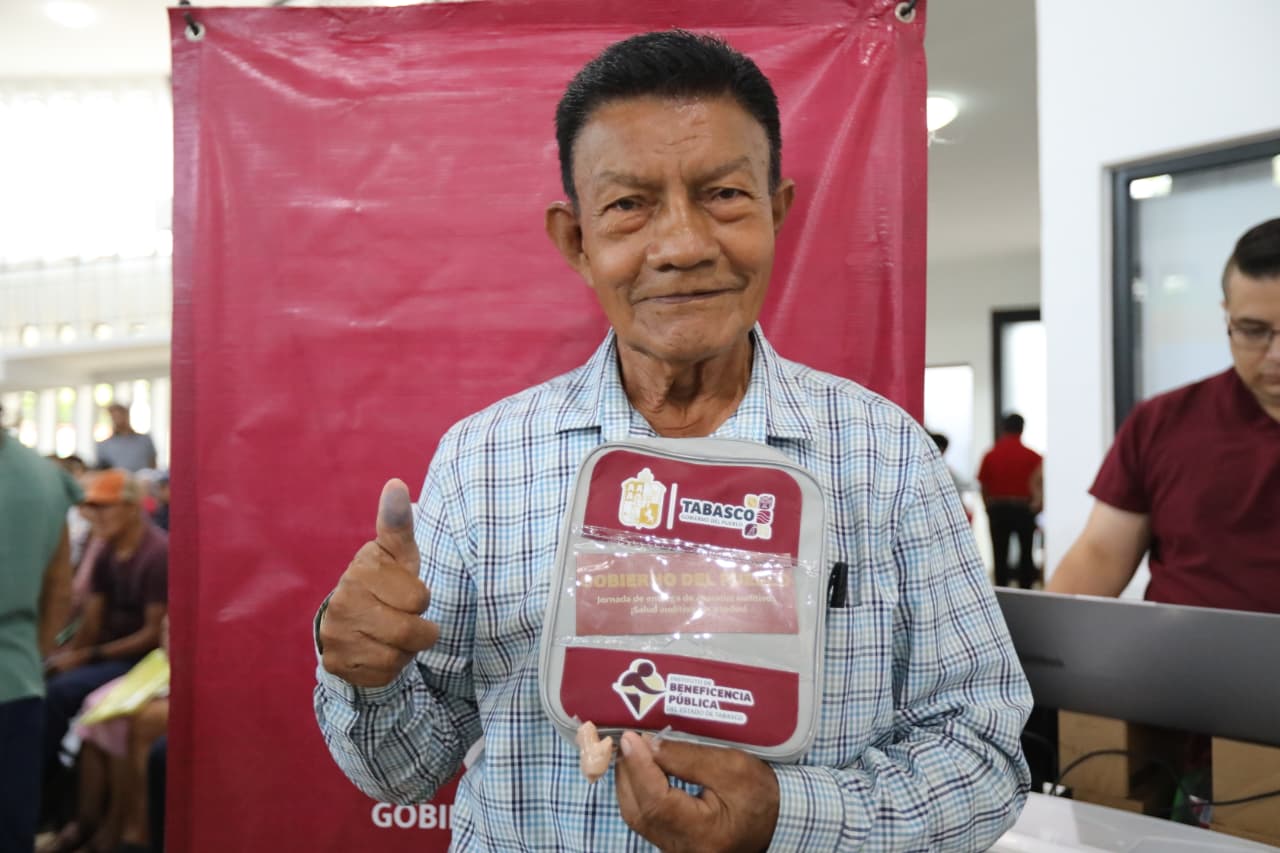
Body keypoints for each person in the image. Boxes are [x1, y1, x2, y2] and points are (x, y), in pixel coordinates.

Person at [314, 31, 1031, 851]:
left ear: (777, 211)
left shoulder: (885, 458)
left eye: (724, 194)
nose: (685, 245)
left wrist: (786, 817)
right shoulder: (483, 463)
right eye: (629, 205)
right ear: (577, 240)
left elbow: (983, 752)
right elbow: (403, 770)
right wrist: (365, 676)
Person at [1049, 218, 1280, 612]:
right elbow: (1101, 555)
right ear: (1226, 316)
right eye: (1253, 330)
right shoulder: (1161, 422)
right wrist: (1041, 642)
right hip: (1182, 652)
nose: (1275, 355)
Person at [43, 470, 168, 796]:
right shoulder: (106, 551)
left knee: (60, 694)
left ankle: (47, 786)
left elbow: (151, 634)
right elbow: (92, 618)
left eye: (105, 507)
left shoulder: (157, 554)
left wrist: (86, 656)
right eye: (92, 507)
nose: (95, 515)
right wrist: (69, 654)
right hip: (107, 654)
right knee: (48, 680)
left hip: (142, 660)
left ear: (131, 507)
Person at [0, 406, 81, 852]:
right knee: (11, 826)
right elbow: (60, 590)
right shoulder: (46, 478)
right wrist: (35, 653)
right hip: (18, 679)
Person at [976, 414, 1043, 588]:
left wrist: (987, 507)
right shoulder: (1034, 457)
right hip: (1024, 508)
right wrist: (1038, 505)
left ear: (1003, 428)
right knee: (1026, 553)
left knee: (999, 554)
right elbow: (1040, 484)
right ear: (1022, 429)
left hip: (998, 508)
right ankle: (1026, 592)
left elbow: (983, 485)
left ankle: (1001, 592)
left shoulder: (990, 455)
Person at [95, 403, 157, 472]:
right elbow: (102, 470)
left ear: (127, 416)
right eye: (114, 417)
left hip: (143, 477)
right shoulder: (105, 445)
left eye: (120, 415)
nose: (118, 420)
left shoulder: (144, 440)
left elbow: (153, 465)